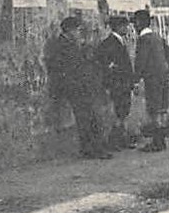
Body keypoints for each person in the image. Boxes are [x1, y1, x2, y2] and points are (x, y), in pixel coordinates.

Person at [45, 16, 108, 159]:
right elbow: (61, 69)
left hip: (82, 86)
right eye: (77, 30)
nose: (79, 33)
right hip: (74, 88)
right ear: (69, 30)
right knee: (86, 119)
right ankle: (91, 149)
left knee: (89, 118)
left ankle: (92, 148)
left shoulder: (73, 44)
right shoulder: (61, 46)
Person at [132, 9, 169, 152]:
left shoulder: (143, 40)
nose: (134, 27)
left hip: (152, 79)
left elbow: (141, 61)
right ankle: (160, 141)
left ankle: (157, 142)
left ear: (140, 23)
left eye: (135, 23)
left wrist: (135, 80)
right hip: (163, 77)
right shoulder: (157, 37)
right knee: (161, 109)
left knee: (154, 110)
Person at [93, 14, 136, 149]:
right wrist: (111, 70)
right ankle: (114, 141)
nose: (127, 29)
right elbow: (102, 61)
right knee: (119, 112)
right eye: (125, 26)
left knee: (123, 112)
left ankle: (121, 139)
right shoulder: (109, 43)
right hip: (117, 83)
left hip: (124, 83)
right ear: (118, 27)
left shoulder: (120, 41)